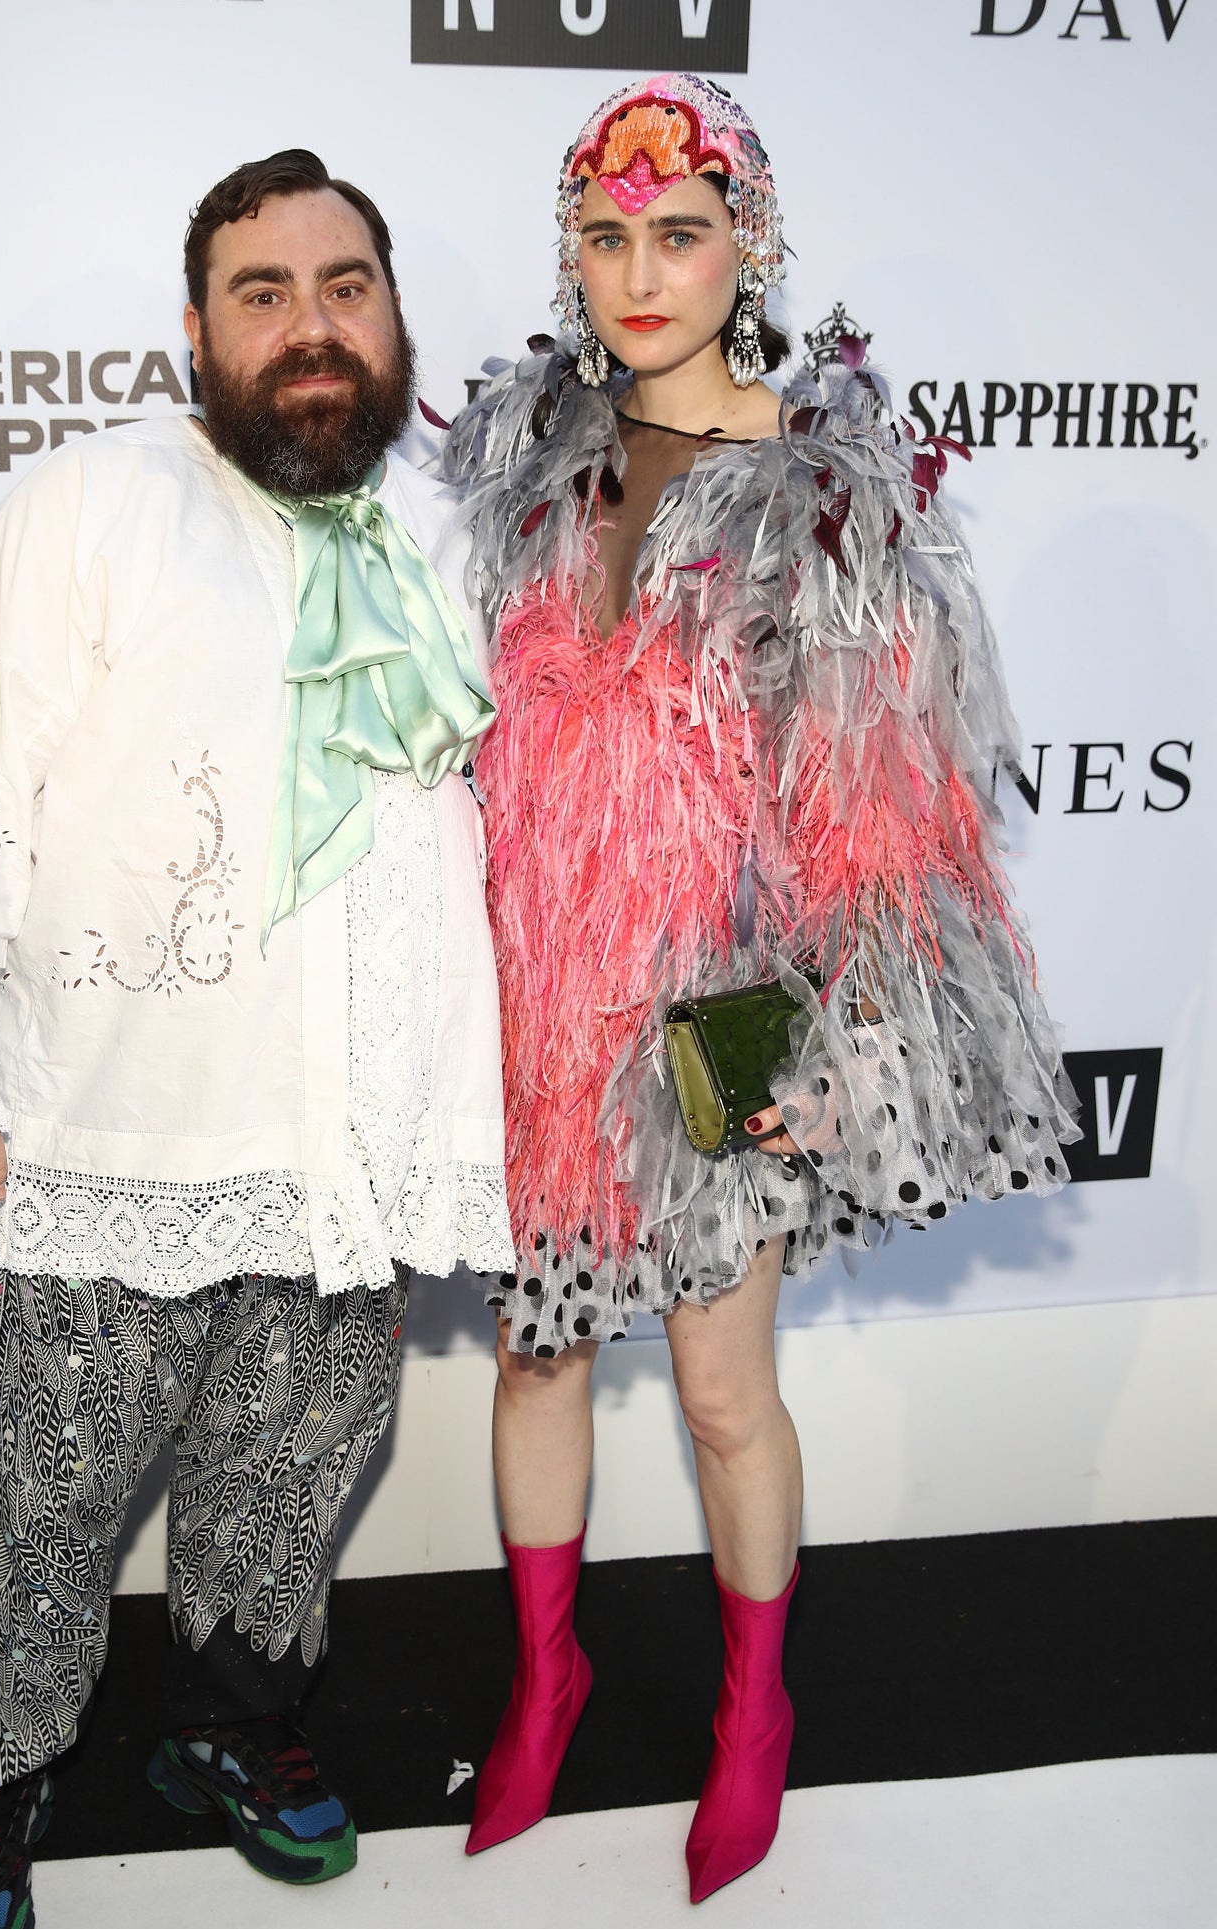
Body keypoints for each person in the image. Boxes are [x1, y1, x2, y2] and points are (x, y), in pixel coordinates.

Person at [442, 74, 1078, 1902]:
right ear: (571, 254)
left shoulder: (823, 491)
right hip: (539, 1005)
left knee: (725, 1393)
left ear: (753, 245)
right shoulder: (535, 460)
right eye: (606, 235)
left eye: (682, 232)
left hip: (713, 1024)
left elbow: (884, 806)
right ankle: (545, 1678)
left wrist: (846, 1037)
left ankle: (753, 1710)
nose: (641, 273)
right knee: (537, 1353)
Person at [0, 149, 512, 1922]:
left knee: (291, 1477)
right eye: (263, 292)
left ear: (394, 313)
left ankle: (232, 1726)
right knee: (37, 1495)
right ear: (198, 335)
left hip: (354, 1145)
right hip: (109, 1125)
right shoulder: (90, 506)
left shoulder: (464, 529)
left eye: (345, 286)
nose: (312, 325)